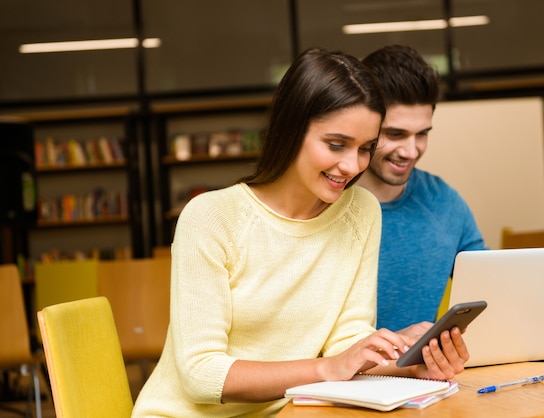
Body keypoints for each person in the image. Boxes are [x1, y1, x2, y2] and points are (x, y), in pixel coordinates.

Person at [132, 48, 469, 418]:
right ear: (292, 129)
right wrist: (327, 368)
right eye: (336, 145)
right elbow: (201, 374)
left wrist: (415, 364)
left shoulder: (362, 212)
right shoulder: (210, 217)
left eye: (365, 149)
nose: (351, 165)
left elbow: (348, 340)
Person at [358, 45, 487, 331]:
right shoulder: (324, 204)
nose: (411, 151)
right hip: (340, 375)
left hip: (425, 373)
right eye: (395, 134)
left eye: (422, 134)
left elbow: (490, 288)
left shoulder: (445, 202)